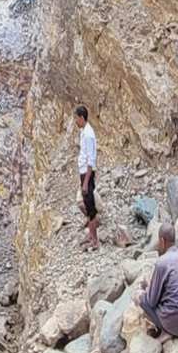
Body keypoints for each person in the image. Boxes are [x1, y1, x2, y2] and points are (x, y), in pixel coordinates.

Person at [139, 222, 178, 338]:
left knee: (141, 298)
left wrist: (149, 285)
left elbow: (151, 301)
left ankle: (160, 331)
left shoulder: (162, 262)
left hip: (173, 322)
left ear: (162, 241)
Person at [75, 105, 99, 250]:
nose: (75, 121)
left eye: (77, 118)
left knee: (90, 207)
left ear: (82, 118)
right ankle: (91, 235)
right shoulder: (84, 132)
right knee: (87, 203)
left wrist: (85, 182)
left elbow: (91, 159)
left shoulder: (89, 135)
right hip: (84, 172)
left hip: (87, 174)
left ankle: (94, 240)